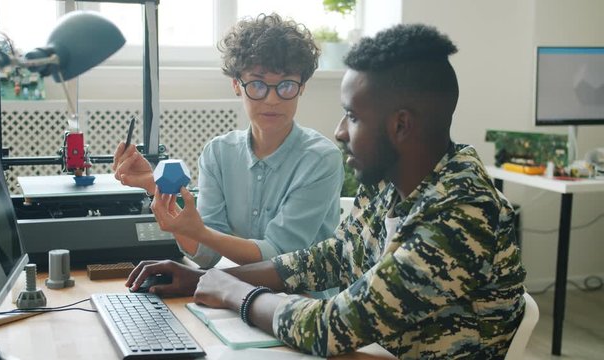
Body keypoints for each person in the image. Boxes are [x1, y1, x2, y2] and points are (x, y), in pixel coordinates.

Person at [126, 23, 527, 359]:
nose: (339, 131)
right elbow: (332, 257)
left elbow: (330, 327)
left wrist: (232, 288)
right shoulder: (391, 183)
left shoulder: (460, 214)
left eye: (352, 116)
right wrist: (200, 280)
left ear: (401, 125)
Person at [112, 13, 344, 269]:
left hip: (305, 300)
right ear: (236, 85)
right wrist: (158, 187)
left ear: (302, 87)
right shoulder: (219, 153)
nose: (272, 100)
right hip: (240, 293)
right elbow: (205, 256)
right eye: (257, 84)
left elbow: (280, 258)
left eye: (286, 85)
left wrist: (201, 232)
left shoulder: (321, 159)